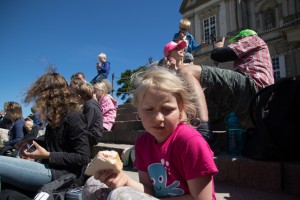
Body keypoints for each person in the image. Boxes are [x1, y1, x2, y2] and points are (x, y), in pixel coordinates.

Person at [86, 66, 218, 200]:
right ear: (138, 112)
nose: (158, 118)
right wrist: (126, 181)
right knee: (93, 185)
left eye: (167, 109)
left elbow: (202, 198)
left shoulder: (190, 142)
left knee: (118, 196)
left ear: (181, 110)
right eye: (149, 109)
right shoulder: (143, 143)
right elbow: (149, 190)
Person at [0, 70, 91, 192]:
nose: (38, 100)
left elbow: (83, 157)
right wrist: (30, 140)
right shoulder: (55, 118)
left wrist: (48, 155)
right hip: (50, 168)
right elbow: (54, 140)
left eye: (40, 95)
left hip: (63, 175)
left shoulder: (74, 117)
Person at [173, 29, 274, 128]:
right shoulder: (258, 51)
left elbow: (219, 55)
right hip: (260, 99)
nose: (235, 44)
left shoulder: (253, 39)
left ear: (242, 38)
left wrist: (218, 48)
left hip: (252, 87)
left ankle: (203, 126)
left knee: (187, 71)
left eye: (236, 42)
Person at [162, 40, 216, 146]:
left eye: (181, 48)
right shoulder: (166, 71)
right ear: (169, 54)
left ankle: (203, 129)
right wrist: (171, 70)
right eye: (177, 48)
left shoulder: (189, 66)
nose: (182, 49)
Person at [70, 81, 104, 146]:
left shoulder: (90, 105)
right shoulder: (89, 104)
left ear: (78, 96)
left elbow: (86, 125)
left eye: (74, 96)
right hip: (91, 134)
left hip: (93, 136)